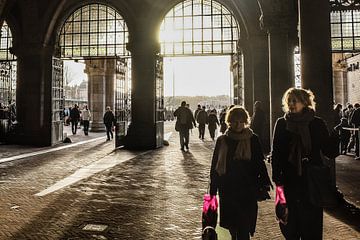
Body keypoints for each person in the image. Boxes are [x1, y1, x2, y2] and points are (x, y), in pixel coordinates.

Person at [271, 87, 339, 239]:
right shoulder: (282, 124)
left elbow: (329, 152)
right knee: (290, 228)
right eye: (289, 101)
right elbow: (276, 154)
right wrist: (278, 180)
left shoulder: (317, 124)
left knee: (312, 228)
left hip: (311, 183)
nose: (291, 104)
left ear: (305, 102)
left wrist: (335, 138)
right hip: (289, 182)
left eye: (295, 100)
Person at [209, 106, 271, 240]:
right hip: (227, 189)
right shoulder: (222, 140)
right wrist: (213, 191)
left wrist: (265, 182)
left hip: (247, 189)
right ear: (229, 122)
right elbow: (215, 167)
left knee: (244, 227)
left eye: (240, 121)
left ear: (245, 121)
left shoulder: (253, 139)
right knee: (232, 227)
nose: (237, 124)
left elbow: (259, 163)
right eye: (234, 121)